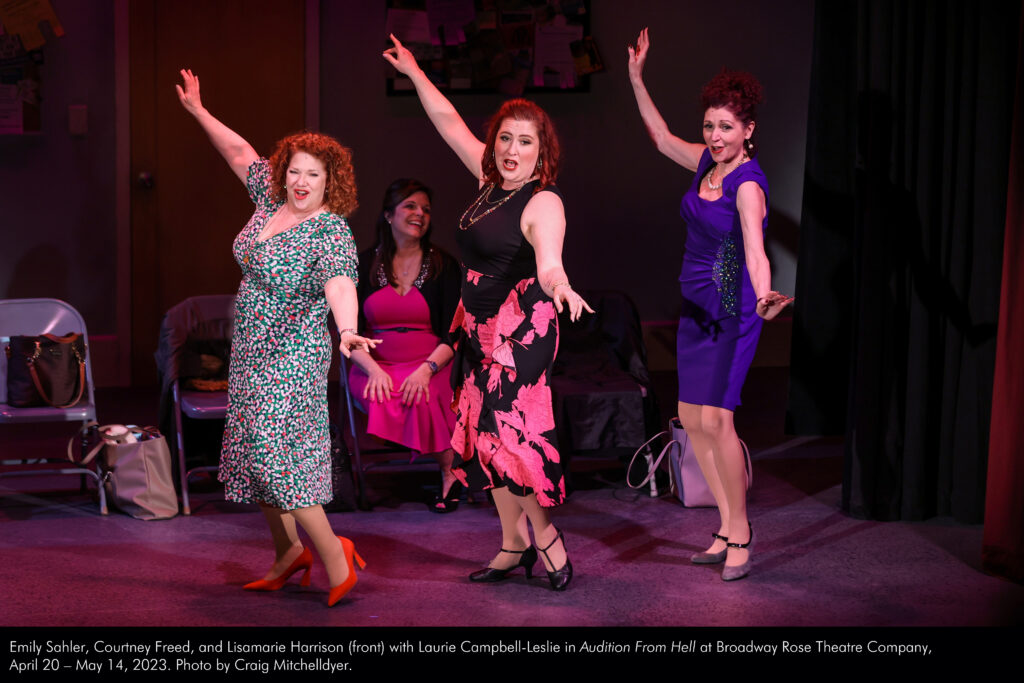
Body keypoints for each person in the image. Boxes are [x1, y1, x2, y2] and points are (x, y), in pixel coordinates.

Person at [383, 35, 593, 591]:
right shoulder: (487, 186)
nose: (512, 149)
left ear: (540, 151)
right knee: (479, 438)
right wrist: (414, 73)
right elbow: (448, 120)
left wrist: (562, 285)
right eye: (505, 138)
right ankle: (511, 544)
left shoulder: (542, 200)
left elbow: (549, 260)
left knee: (508, 438)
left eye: (525, 142)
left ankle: (545, 537)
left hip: (521, 334)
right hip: (477, 331)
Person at [176, 69, 379, 606]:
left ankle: (335, 556)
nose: (301, 182)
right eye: (294, 171)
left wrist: (350, 329)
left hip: (295, 352)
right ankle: (288, 552)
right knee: (250, 451)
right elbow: (239, 150)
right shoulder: (269, 204)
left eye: (313, 175)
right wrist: (199, 110)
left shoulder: (330, 228)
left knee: (276, 455)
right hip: (251, 348)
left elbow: (340, 282)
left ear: (329, 180)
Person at [627, 29, 793, 581]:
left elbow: (754, 249)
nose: (716, 135)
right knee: (694, 419)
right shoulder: (705, 164)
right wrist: (635, 77)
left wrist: (765, 292)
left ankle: (742, 530)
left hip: (734, 306)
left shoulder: (747, 183)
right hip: (696, 306)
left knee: (719, 419)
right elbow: (657, 137)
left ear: (749, 131)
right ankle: (723, 526)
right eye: (710, 126)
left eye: (727, 127)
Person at [347, 179, 463, 512]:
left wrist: (426, 371)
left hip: (432, 362)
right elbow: (349, 333)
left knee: (425, 392)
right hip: (375, 364)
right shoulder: (362, 265)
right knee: (387, 388)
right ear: (388, 215)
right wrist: (373, 370)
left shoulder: (444, 266)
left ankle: (449, 473)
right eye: (410, 206)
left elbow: (454, 333)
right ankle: (444, 465)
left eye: (425, 209)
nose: (419, 214)